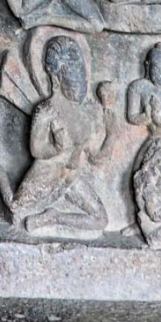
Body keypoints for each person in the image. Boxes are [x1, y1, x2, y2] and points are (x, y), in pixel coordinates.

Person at [10, 36, 115, 235]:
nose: (80, 80)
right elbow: (37, 150)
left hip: (71, 178)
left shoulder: (87, 113)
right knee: (16, 212)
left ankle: (54, 217)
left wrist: (112, 134)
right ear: (56, 76)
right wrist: (58, 149)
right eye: (72, 73)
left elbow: (96, 157)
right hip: (45, 176)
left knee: (100, 220)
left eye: (81, 73)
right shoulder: (46, 110)